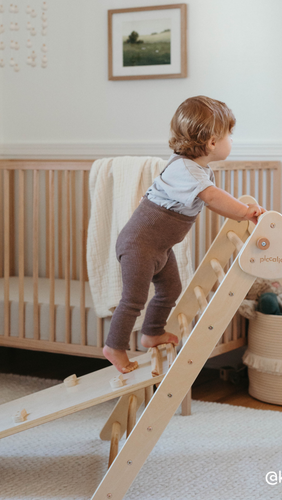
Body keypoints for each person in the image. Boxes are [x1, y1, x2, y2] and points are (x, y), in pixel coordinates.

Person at [103, 95, 266, 373]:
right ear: (213, 142)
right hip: (139, 245)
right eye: (230, 135)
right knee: (134, 298)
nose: (231, 141)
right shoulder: (183, 169)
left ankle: (152, 332)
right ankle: (113, 347)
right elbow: (213, 197)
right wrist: (243, 211)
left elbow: (211, 198)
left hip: (159, 247)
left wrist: (239, 210)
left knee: (170, 290)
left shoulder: (195, 168)